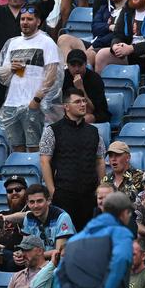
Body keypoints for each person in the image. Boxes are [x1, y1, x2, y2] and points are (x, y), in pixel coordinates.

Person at [55, 191, 135, 288]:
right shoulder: (121, 233)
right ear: (124, 213)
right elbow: (121, 259)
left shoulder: (75, 239)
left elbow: (59, 273)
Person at [0, 4, 59, 153]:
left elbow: (52, 73)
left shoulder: (46, 42)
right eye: (22, 19)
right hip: (12, 103)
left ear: (38, 22)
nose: (25, 22)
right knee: (16, 146)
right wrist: (10, 68)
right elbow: (1, 74)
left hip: (33, 103)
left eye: (29, 19)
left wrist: (36, 100)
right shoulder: (13, 43)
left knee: (34, 146)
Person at [38, 88, 105, 229]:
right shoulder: (52, 130)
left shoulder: (94, 131)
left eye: (84, 101)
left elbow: (99, 161)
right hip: (64, 194)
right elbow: (45, 161)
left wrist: (101, 187)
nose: (83, 104)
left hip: (89, 195)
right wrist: (52, 191)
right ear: (66, 106)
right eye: (77, 102)